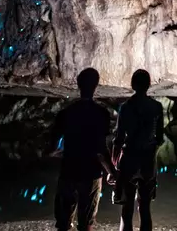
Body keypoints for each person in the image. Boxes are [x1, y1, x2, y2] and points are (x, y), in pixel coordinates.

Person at [49, 68, 116, 231]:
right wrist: (112, 171)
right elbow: (101, 150)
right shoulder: (101, 114)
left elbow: (52, 147)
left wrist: (58, 153)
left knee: (63, 223)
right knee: (86, 223)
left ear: (78, 85)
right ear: (96, 86)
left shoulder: (66, 113)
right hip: (91, 172)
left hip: (69, 170)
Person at [113, 68, 165, 231]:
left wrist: (114, 164)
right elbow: (160, 138)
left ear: (132, 85)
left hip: (129, 158)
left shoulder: (125, 107)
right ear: (148, 85)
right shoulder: (156, 107)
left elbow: (119, 138)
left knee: (126, 208)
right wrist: (152, 152)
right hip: (147, 159)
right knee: (145, 207)